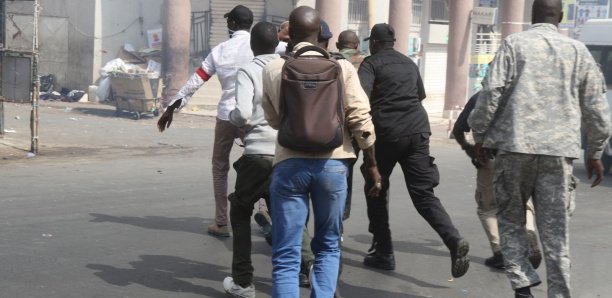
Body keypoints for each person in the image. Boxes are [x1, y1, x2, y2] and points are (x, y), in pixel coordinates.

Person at [467, 0, 611, 297]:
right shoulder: (577, 51)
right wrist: (596, 152)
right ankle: (559, 293)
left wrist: (479, 134)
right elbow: (597, 109)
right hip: (558, 153)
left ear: (532, 16)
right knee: (556, 234)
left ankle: (522, 284)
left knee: (510, 221)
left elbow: (491, 91)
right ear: (560, 16)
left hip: (514, 149)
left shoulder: (513, 45)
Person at [262, 6, 382, 297]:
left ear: (290, 32)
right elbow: (361, 121)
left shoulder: (274, 68)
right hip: (333, 164)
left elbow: (274, 119)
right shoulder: (342, 68)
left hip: (289, 163)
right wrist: (372, 164)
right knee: (328, 246)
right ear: (319, 33)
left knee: (286, 253)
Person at [358, 23, 470, 278]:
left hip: (387, 133)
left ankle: (384, 252)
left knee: (375, 187)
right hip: (418, 130)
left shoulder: (370, 63)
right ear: (394, 42)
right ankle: (453, 239)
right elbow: (418, 95)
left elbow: (360, 99)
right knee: (423, 194)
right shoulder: (409, 63)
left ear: (373, 43)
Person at [157, 5, 254, 238]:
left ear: (231, 24)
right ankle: (265, 210)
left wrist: (172, 107)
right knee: (262, 162)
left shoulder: (220, 50)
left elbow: (195, 81)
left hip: (226, 116)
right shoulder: (261, 46)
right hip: (252, 115)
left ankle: (221, 222)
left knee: (220, 167)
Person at [219, 21, 280, 298]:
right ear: (276, 43)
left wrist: (234, 120)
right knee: (286, 214)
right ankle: (308, 268)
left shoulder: (249, 70)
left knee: (240, 210)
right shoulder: (286, 68)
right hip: (287, 154)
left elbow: (242, 114)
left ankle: (243, 282)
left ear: (253, 46)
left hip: (257, 153)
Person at [452, 91, 542, 270]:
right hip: (522, 155)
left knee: (487, 207)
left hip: (490, 156)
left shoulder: (480, 96)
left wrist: (468, 147)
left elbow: (458, 129)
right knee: (523, 200)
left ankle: (500, 251)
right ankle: (529, 232)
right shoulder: (525, 91)